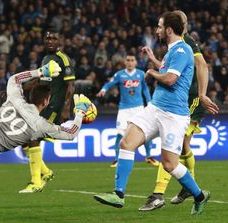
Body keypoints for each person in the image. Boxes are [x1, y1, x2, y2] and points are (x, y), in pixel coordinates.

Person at [93, 12, 210, 215]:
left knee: (169, 164)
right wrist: (154, 61)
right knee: (126, 143)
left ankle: (199, 195)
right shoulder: (171, 50)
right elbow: (168, 71)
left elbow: (171, 79)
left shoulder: (183, 49)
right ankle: (118, 195)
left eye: (159, 26)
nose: (156, 30)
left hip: (173, 115)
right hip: (155, 109)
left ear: (169, 30)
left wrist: (151, 72)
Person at [138, 10, 219, 211]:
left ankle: (159, 193)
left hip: (190, 98)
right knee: (181, 147)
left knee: (174, 144)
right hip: (179, 98)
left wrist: (202, 94)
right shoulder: (173, 46)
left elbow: (202, 65)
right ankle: (188, 187)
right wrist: (152, 60)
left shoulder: (187, 42)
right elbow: (168, 72)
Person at [19, 28, 76, 193]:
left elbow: (70, 86)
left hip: (54, 106)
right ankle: (46, 172)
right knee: (24, 140)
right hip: (42, 105)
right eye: (48, 39)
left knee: (33, 137)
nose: (50, 41)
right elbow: (41, 80)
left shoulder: (63, 59)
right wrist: (22, 87)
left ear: (60, 42)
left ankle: (36, 182)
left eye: (54, 39)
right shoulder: (45, 58)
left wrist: (66, 109)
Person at [96, 53, 159, 167]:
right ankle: (116, 159)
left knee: (146, 132)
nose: (130, 62)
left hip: (139, 108)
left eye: (132, 60)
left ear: (135, 62)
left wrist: (149, 102)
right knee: (120, 134)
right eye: (128, 60)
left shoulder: (140, 74)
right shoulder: (120, 75)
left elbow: (145, 89)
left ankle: (149, 156)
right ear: (125, 62)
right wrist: (104, 89)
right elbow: (110, 83)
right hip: (124, 109)